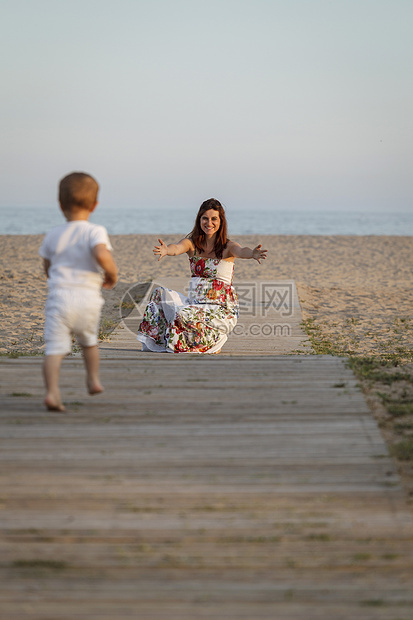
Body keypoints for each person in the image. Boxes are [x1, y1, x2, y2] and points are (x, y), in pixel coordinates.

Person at [136, 198, 267, 354]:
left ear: (221, 222)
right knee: (159, 294)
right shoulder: (192, 244)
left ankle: (214, 340)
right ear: (199, 220)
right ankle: (160, 341)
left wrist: (252, 253)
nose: (209, 223)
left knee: (183, 314)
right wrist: (167, 250)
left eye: (214, 219)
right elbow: (177, 247)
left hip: (220, 309)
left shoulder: (228, 247)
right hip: (195, 303)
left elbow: (241, 251)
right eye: (205, 218)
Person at [39, 172, 118, 412]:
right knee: (89, 343)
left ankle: (53, 392)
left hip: (59, 300)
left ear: (61, 204)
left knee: (54, 349)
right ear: (95, 205)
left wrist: (52, 275)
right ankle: (92, 379)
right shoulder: (95, 231)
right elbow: (102, 254)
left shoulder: (53, 234)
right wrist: (112, 275)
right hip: (87, 301)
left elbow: (47, 264)